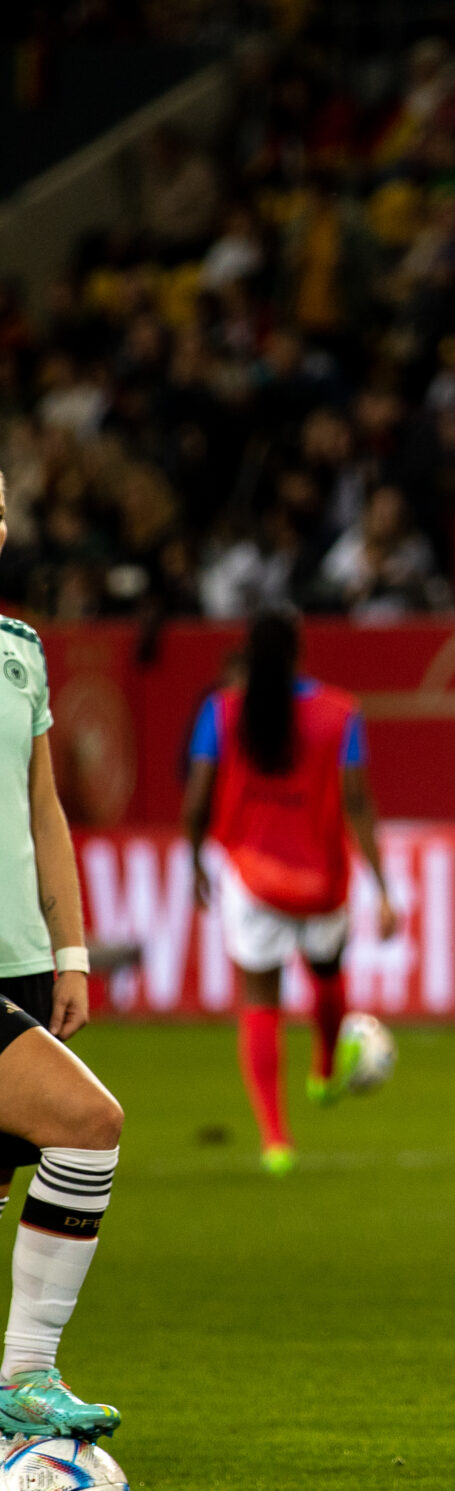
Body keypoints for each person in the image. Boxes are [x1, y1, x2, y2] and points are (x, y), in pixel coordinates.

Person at [182, 608, 397, 1176]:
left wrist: (195, 861)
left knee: (260, 1000)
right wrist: (382, 886)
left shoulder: (222, 711)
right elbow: (357, 801)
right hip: (321, 878)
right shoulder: (340, 713)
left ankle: (276, 1139)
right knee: (326, 971)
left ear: (248, 654)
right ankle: (324, 1068)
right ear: (301, 651)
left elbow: (198, 798)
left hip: (253, 877)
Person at [0, 473, 125, 1440]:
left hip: (21, 960)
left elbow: (44, 810)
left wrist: (69, 948)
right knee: (89, 1121)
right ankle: (27, 1372)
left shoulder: (21, 650)